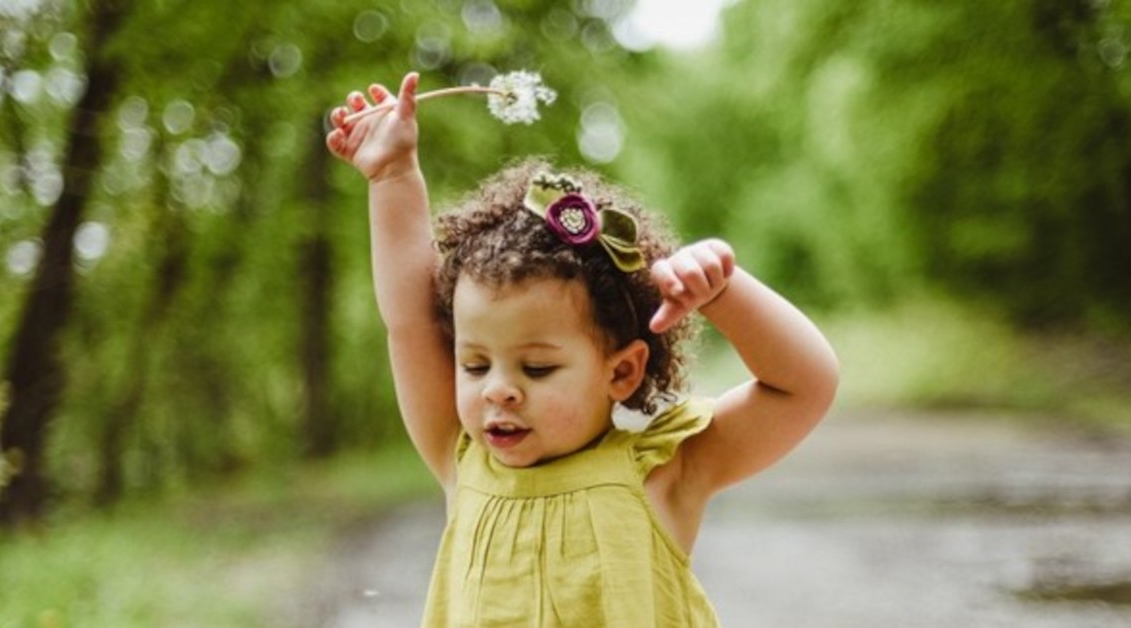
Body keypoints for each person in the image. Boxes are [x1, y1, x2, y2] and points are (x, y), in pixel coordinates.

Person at [325, 72, 840, 627]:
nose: (498, 387)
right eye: (475, 364)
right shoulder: (461, 457)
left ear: (621, 372)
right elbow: (409, 321)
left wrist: (723, 292)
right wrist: (393, 173)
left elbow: (804, 387)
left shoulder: (664, 471)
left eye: (538, 368)